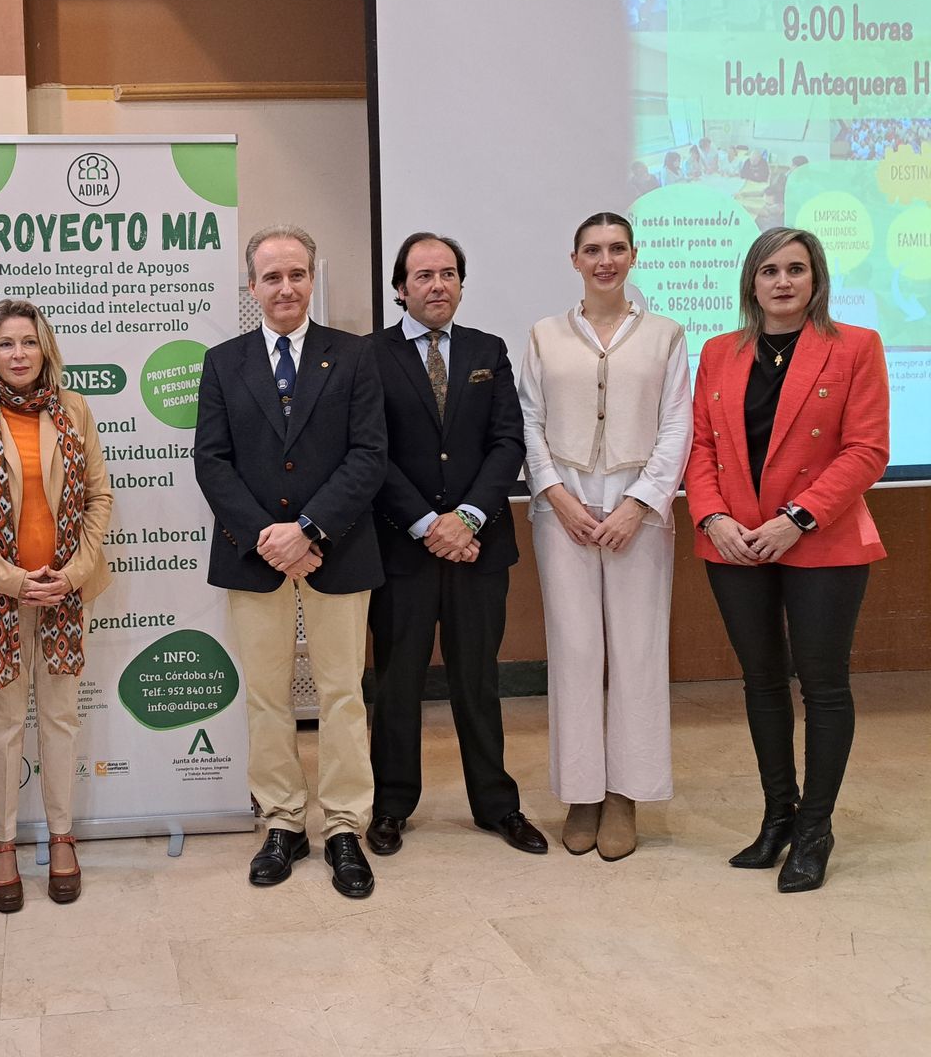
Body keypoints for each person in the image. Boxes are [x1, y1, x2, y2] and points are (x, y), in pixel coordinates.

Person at [685, 228, 889, 892]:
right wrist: (714, 518)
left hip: (821, 539)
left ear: (816, 279)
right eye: (769, 270)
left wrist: (794, 520)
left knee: (823, 686)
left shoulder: (855, 346)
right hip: (735, 542)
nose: (782, 282)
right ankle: (778, 816)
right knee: (762, 680)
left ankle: (815, 830)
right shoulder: (718, 352)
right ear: (751, 281)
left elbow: (866, 451)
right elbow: (700, 450)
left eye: (796, 270)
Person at [194, 224, 386, 898]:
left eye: (297, 274)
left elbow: (369, 454)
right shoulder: (223, 362)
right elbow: (211, 463)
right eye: (271, 277)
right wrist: (269, 536)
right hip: (253, 557)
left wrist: (308, 529)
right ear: (252, 287)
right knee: (267, 699)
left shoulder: (355, 356)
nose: (285, 287)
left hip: (339, 549)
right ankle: (281, 822)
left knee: (341, 696)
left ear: (313, 278)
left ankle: (342, 828)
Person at [365, 233, 547, 860]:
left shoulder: (488, 351)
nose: (437, 285)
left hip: (479, 548)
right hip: (400, 549)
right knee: (396, 684)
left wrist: (466, 518)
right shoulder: (370, 355)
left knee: (479, 681)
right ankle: (390, 806)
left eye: (448, 274)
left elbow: (507, 442)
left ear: (462, 284)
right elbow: (371, 452)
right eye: (423, 276)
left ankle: (497, 805)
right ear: (400, 288)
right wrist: (425, 523)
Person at [519, 213, 690, 861]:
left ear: (634, 255)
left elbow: (676, 426)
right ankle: (583, 790)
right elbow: (529, 422)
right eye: (593, 249)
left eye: (617, 248)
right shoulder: (543, 334)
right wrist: (557, 497)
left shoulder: (666, 334)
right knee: (576, 650)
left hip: (637, 514)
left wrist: (638, 504)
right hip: (560, 512)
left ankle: (627, 792)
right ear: (574, 260)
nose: (605, 259)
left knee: (639, 652)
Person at [0, 301, 113, 911]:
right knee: (3, 724)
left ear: (46, 351)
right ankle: (3, 845)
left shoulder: (74, 410)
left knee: (62, 719)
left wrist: (74, 572)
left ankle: (62, 837)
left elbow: (98, 495)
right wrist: (11, 579)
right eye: (6, 344)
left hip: (66, 592)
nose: (18, 354)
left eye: (29, 343)